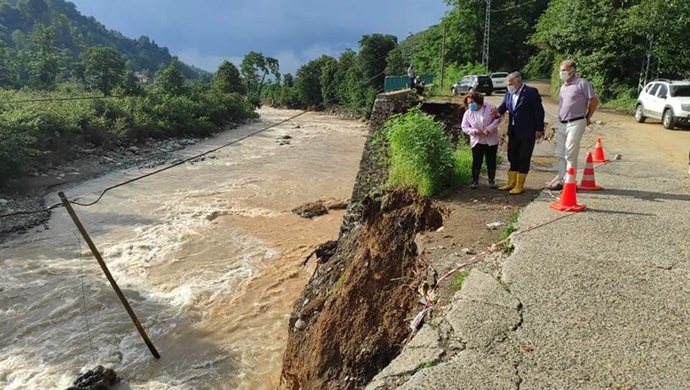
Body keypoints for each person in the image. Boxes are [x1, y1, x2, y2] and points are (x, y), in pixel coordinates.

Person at [548, 60, 599, 190]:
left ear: (572, 70)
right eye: (561, 70)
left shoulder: (582, 83)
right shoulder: (563, 86)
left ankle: (570, 182)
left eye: (564, 70)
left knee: (570, 153)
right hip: (563, 123)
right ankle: (562, 179)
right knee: (560, 153)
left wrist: (588, 117)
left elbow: (593, 100)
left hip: (576, 122)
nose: (561, 73)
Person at [491, 71, 545, 195]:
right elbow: (503, 107)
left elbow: (539, 111)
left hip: (528, 131)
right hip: (513, 130)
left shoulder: (531, 92)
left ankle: (520, 185)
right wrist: (497, 114)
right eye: (507, 84)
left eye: (510, 84)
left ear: (518, 83)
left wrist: (539, 129)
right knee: (512, 156)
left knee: (524, 157)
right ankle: (511, 182)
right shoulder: (508, 94)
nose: (508, 86)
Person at [461, 91, 501, 189]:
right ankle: (475, 181)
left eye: (472, 102)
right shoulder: (468, 113)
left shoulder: (490, 107)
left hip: (490, 140)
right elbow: (464, 127)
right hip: (477, 140)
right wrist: (474, 131)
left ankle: (491, 181)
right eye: (469, 103)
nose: (470, 105)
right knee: (476, 161)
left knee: (491, 160)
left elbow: (498, 119)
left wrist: (489, 129)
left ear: (478, 101)